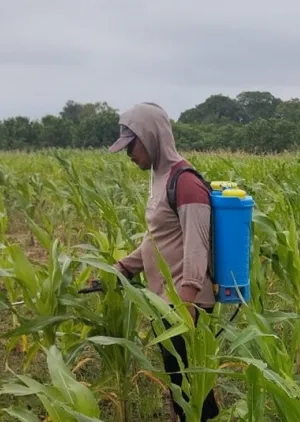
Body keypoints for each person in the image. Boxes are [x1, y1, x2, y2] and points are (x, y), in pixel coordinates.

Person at [108, 102, 220, 422]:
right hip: (165, 302)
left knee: (188, 387)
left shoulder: (186, 183)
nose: (130, 155)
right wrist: (123, 267)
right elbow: (156, 237)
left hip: (185, 303)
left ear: (151, 137)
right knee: (180, 384)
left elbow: (197, 248)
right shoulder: (160, 177)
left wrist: (185, 304)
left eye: (132, 146)